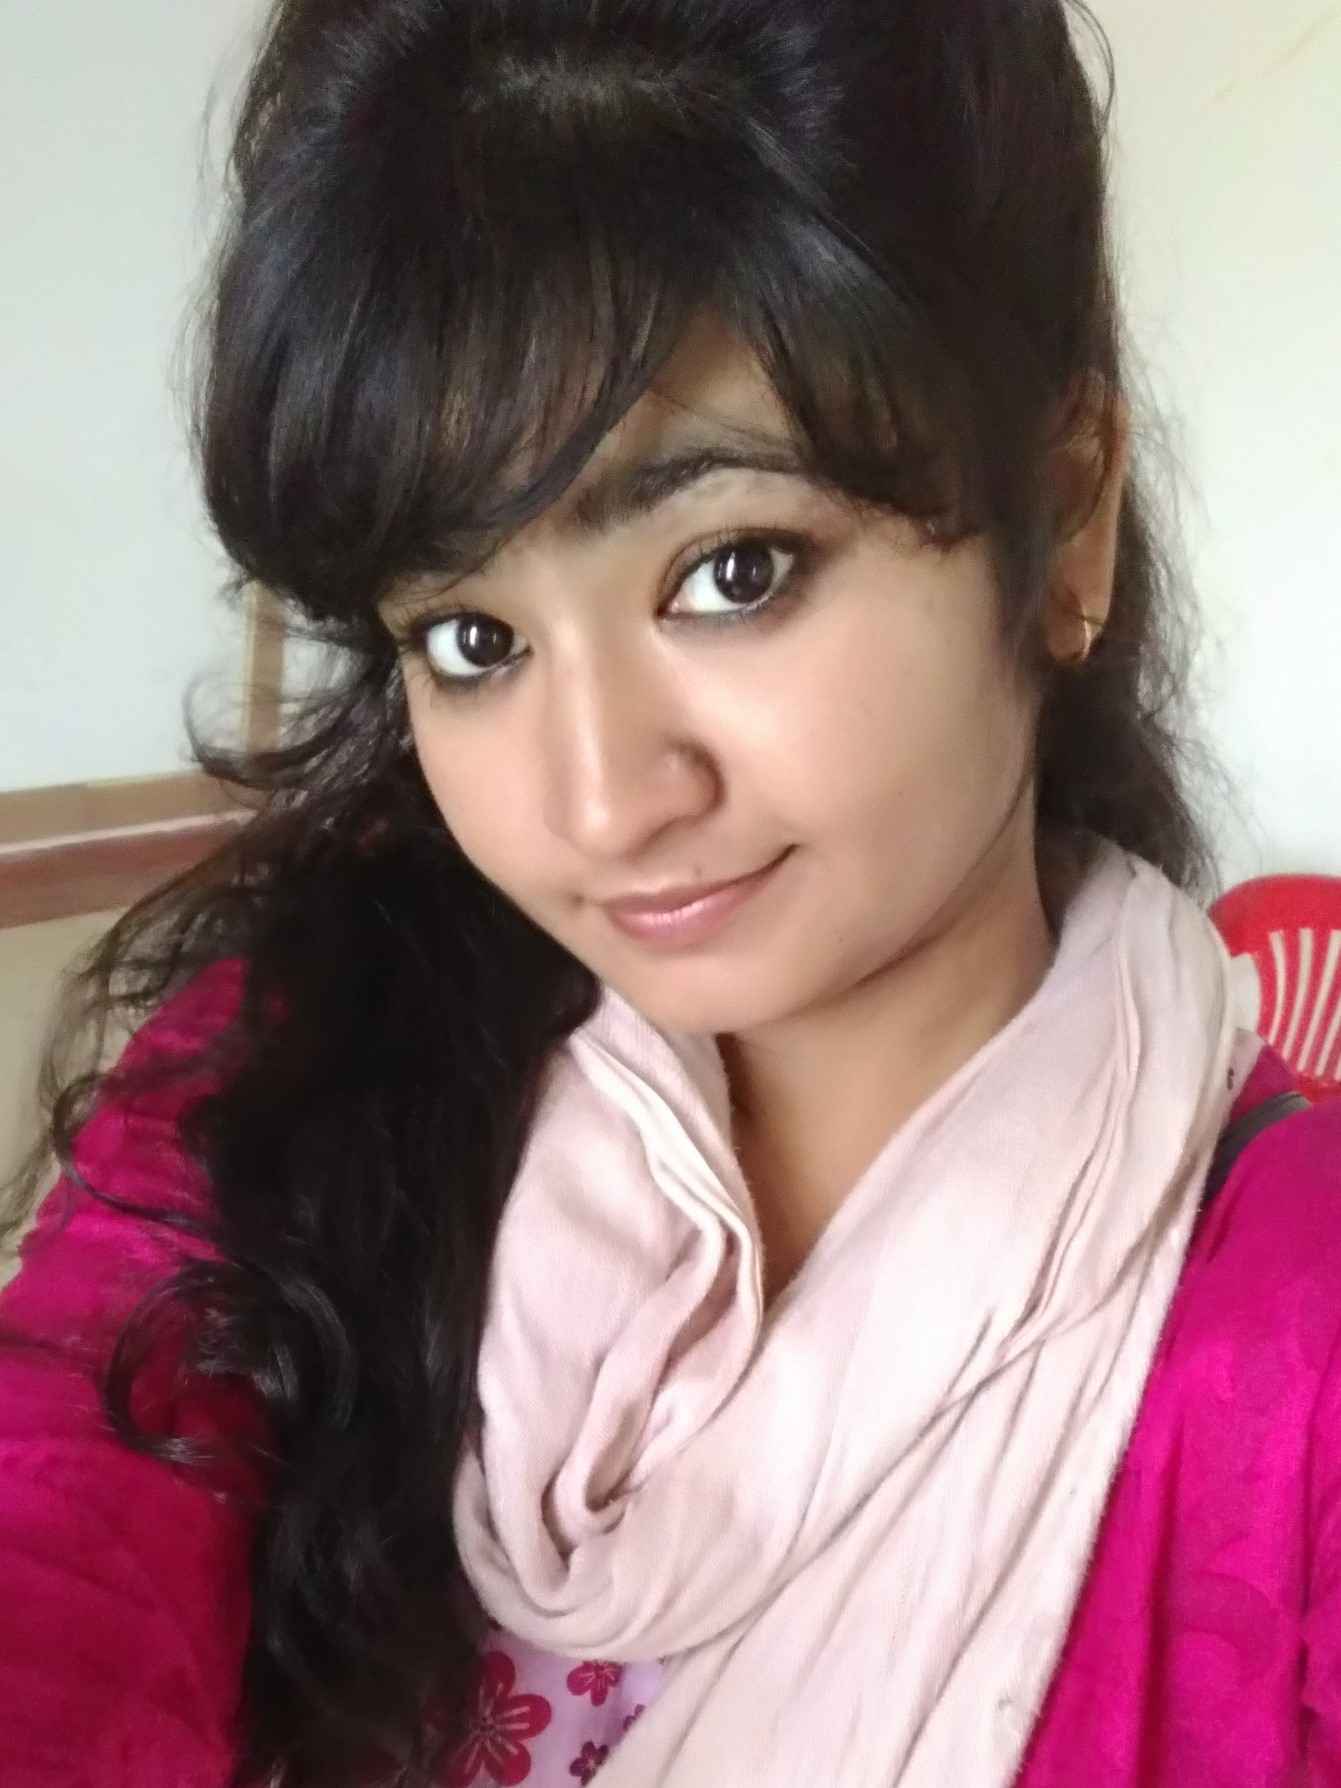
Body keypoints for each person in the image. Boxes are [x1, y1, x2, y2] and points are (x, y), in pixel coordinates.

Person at [1, 0, 1338, 1783]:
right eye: (470, 639)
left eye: (734, 570)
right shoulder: (283, 1078)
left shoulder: (1291, 1338)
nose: (599, 804)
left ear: (1064, 524)